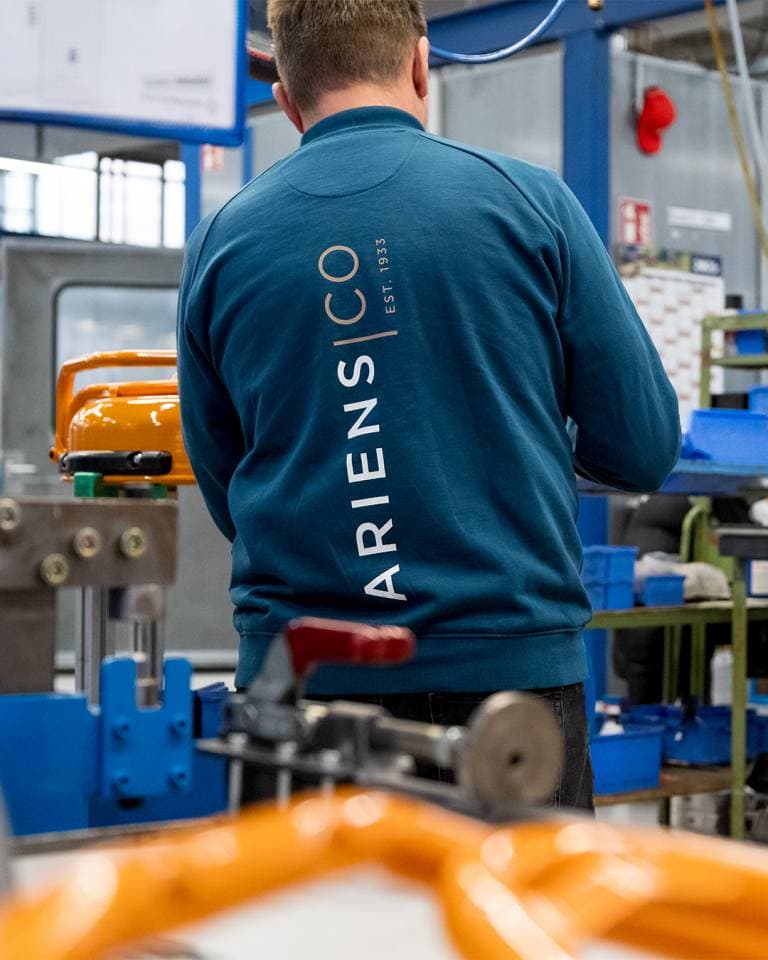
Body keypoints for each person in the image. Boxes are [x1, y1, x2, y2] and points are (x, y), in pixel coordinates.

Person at [177, 0, 680, 811]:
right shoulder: (530, 203)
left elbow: (226, 484)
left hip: (301, 691)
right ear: (420, 63)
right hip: (510, 688)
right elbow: (644, 447)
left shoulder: (221, 241)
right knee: (515, 900)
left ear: (287, 100)